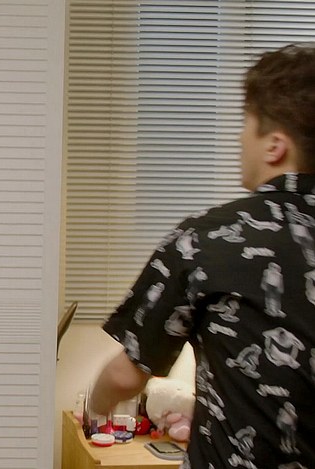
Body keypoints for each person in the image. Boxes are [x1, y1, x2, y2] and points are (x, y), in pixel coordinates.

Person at [90, 43, 315, 468]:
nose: (239, 138)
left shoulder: (208, 239)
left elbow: (125, 376)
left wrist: (96, 403)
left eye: (247, 124)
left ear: (275, 146)